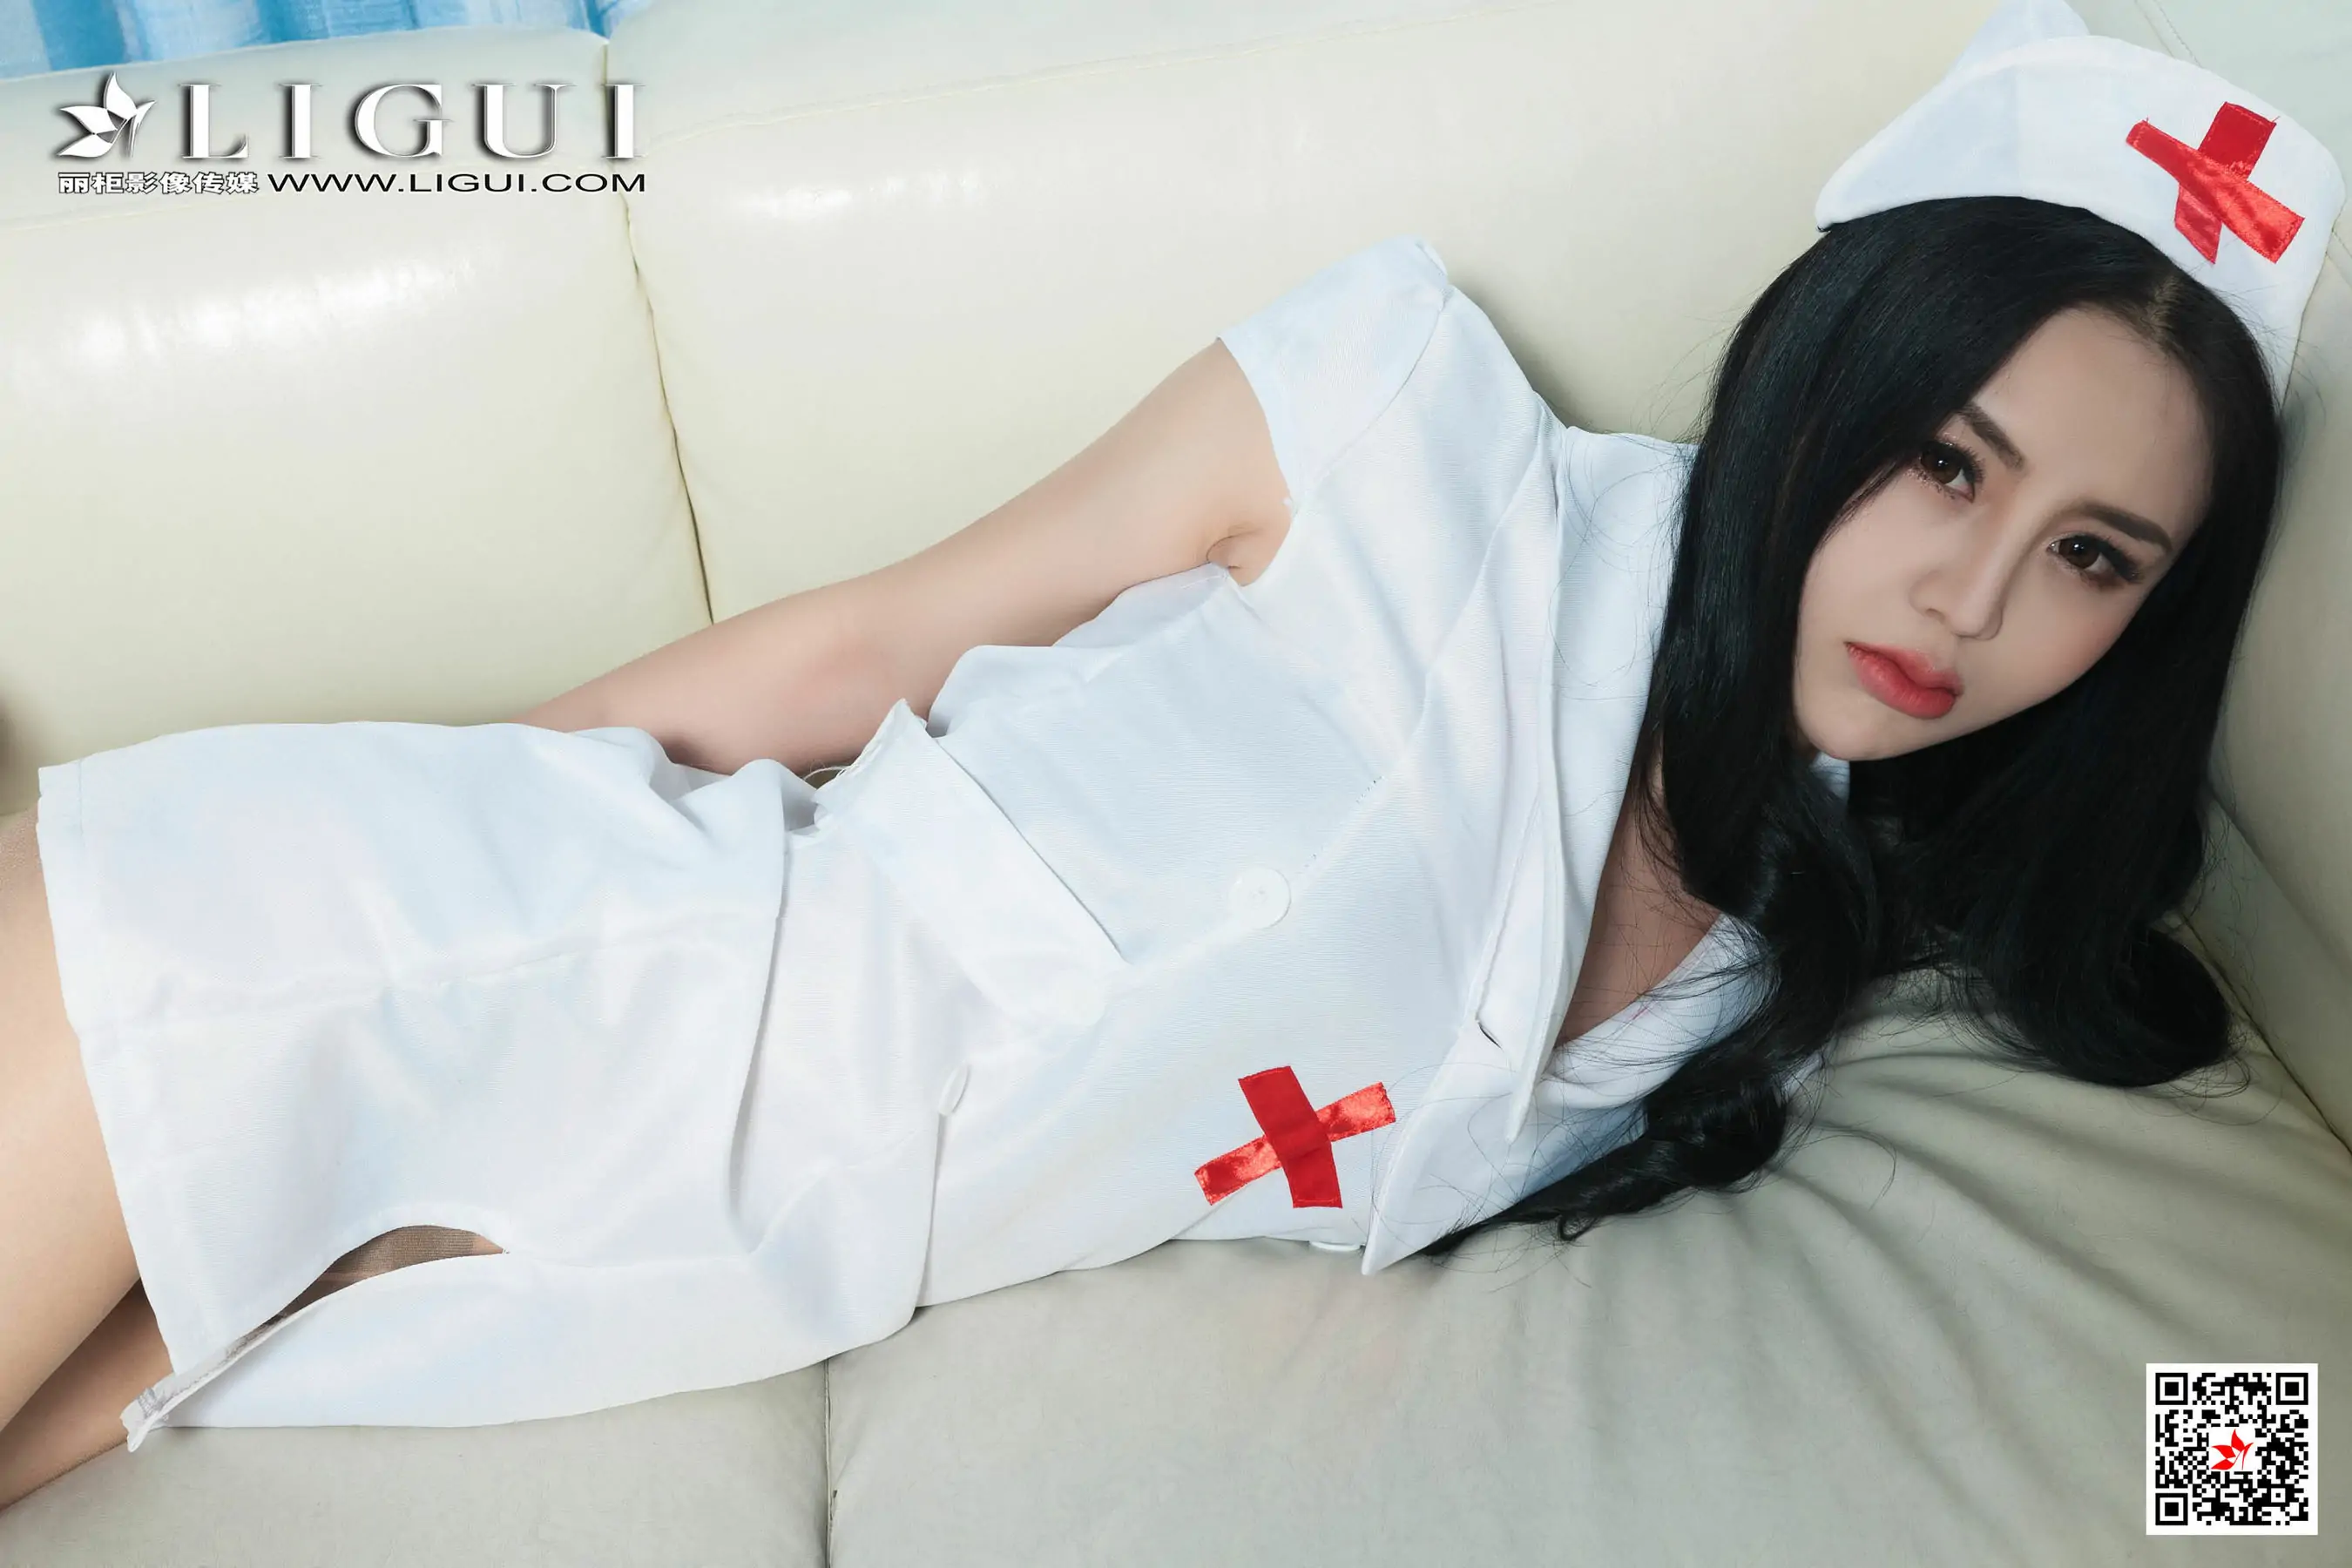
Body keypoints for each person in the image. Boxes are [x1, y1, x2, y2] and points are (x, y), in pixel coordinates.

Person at [0, 0, 2340, 1511]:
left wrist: (2254, 1474)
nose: (1969, 599)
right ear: (1822, 372)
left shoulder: (1829, 946)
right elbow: (852, 645)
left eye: (2090, 555)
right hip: (450, 959)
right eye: (1943, 461)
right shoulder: (1405, 438)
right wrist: (444, 806)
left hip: (564, 1258)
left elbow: (2212, 1421)